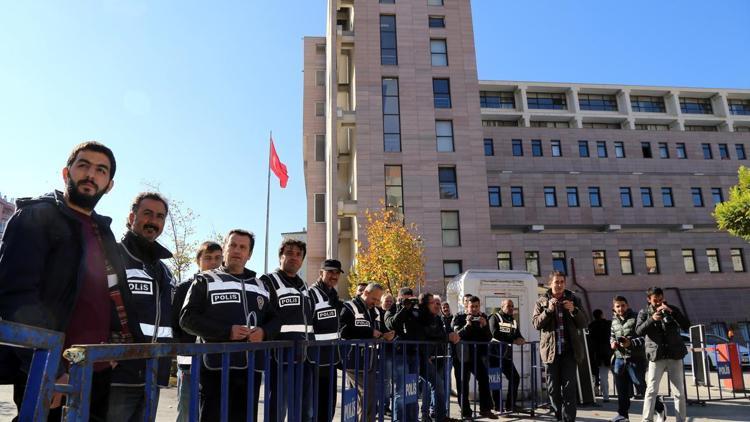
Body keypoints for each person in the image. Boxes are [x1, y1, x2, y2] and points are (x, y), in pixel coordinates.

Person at [0, 141, 139, 422]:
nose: (91, 174)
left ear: (109, 184)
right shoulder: (36, 216)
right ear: (66, 173)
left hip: (96, 369)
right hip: (49, 369)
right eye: (83, 165)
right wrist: (47, 370)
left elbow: (113, 294)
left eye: (101, 170)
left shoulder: (104, 232)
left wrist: (113, 351)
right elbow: (16, 296)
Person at [180, 229, 280, 421]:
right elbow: (187, 318)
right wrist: (227, 332)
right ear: (224, 248)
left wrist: (264, 332)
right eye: (232, 245)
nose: (237, 250)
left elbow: (276, 319)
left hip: (250, 371)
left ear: (249, 254)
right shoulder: (205, 280)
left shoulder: (261, 286)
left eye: (243, 247)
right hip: (214, 370)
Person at [108, 192, 175, 422]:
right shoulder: (111, 254)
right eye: (147, 214)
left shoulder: (165, 271)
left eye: (160, 217)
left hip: (153, 374)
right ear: (131, 217)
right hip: (117, 373)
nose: (153, 221)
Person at [260, 239, 313, 422]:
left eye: (299, 254)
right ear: (280, 256)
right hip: (279, 357)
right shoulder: (267, 281)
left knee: (303, 408)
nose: (294, 257)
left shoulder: (304, 286)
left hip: (304, 357)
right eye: (289, 253)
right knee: (277, 408)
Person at [171, 241, 222, 422]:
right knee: (187, 409)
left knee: (211, 411)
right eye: (207, 258)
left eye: (217, 258)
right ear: (198, 261)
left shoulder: (225, 286)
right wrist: (182, 353)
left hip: (215, 362)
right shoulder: (184, 288)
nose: (213, 263)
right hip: (189, 361)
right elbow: (175, 324)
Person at [532, 271, 587, 422]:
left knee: (569, 389)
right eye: (556, 282)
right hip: (551, 353)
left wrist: (573, 310)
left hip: (570, 352)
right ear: (550, 284)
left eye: (562, 282)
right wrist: (548, 310)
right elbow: (536, 324)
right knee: (553, 390)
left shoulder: (574, 299)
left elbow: (584, 322)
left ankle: (569, 420)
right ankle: (558, 417)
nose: (559, 285)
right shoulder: (541, 301)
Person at [340, 283, 394, 421]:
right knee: (367, 396)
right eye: (374, 299)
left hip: (369, 360)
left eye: (378, 300)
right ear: (366, 293)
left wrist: (385, 334)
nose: (376, 303)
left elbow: (379, 330)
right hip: (353, 358)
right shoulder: (349, 307)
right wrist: (370, 332)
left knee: (364, 397)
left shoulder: (375, 311)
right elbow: (342, 331)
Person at [636, 287, 690, 422]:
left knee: (679, 392)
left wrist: (672, 313)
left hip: (674, 355)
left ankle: (680, 420)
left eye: (661, 299)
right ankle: (647, 419)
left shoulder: (672, 309)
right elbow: (638, 331)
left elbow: (686, 325)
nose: (659, 303)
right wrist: (651, 319)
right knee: (651, 390)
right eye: (655, 300)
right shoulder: (644, 312)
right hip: (656, 356)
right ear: (649, 299)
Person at [609, 296, 664, 422]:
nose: (620, 308)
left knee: (641, 387)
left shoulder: (635, 317)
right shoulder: (614, 321)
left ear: (627, 305)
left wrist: (631, 343)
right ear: (614, 308)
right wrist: (612, 342)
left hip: (635, 358)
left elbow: (645, 337)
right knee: (621, 389)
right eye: (617, 306)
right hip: (619, 358)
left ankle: (659, 408)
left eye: (623, 305)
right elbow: (612, 335)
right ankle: (622, 415)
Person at [307, 259, 345, 422]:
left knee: (329, 404)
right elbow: (307, 327)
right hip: (314, 359)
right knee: (315, 405)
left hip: (331, 358)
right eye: (330, 272)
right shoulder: (311, 294)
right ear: (321, 273)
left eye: (337, 273)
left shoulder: (333, 295)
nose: (334, 276)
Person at [453, 296, 498, 420]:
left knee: (484, 379)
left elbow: (489, 338)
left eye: (476, 306)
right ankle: (466, 412)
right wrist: (467, 325)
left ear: (480, 306)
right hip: (462, 356)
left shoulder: (483, 317)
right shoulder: (459, 317)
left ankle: (485, 409)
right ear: (467, 306)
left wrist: (484, 326)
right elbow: (456, 336)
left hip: (477, 356)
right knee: (463, 385)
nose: (474, 309)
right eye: (472, 306)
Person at [418, 293, 460, 422]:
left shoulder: (438, 319)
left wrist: (452, 335)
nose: (437, 306)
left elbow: (442, 334)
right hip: (425, 358)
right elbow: (426, 336)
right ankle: (427, 415)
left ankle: (438, 415)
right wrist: (447, 337)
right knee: (428, 387)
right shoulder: (423, 317)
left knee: (438, 386)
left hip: (440, 357)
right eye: (434, 303)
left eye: (438, 304)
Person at [385, 287, 420, 422]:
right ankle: (399, 419)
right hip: (399, 353)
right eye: (405, 298)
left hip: (414, 352)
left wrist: (416, 307)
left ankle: (412, 419)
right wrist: (403, 308)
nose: (408, 302)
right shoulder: (392, 310)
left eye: (410, 298)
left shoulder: (414, 310)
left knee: (412, 389)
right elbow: (392, 324)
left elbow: (422, 326)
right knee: (400, 389)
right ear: (399, 298)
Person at [488, 299, 525, 413]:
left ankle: (510, 405)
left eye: (512, 306)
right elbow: (495, 333)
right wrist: (513, 339)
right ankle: (498, 406)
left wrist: (521, 339)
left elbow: (518, 335)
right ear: (502, 306)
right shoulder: (494, 317)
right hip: (493, 354)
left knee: (515, 378)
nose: (511, 308)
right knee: (495, 381)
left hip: (506, 356)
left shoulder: (513, 321)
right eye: (508, 306)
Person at [588, 309, 613, 402]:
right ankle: (626, 394)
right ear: (602, 315)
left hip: (597, 353)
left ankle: (605, 396)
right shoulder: (609, 324)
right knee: (617, 375)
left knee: (603, 376)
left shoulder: (591, 326)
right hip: (609, 351)